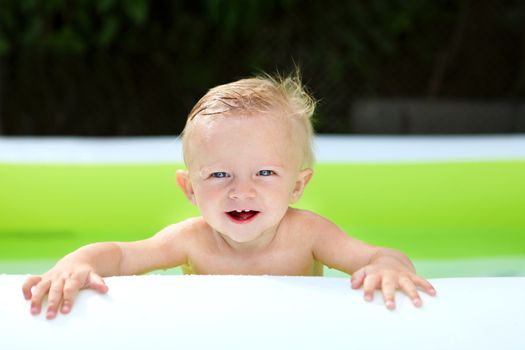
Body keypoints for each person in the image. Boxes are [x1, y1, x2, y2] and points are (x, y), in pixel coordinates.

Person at [22, 72, 436, 320]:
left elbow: (380, 257)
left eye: (265, 173)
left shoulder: (308, 234)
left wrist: (387, 269)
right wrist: (74, 264)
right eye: (219, 174)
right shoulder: (191, 239)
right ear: (189, 188)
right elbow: (121, 255)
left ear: (297, 186)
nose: (242, 190)